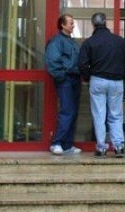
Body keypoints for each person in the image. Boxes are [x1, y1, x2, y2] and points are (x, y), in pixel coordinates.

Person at [79, 12, 125, 159]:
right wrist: (124, 74)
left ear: (93, 24)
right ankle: (119, 147)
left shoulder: (89, 42)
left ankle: (102, 147)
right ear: (106, 22)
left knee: (99, 115)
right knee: (115, 115)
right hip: (116, 81)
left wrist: (88, 77)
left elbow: (82, 64)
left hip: (97, 80)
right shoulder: (119, 41)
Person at [45, 14, 82, 155]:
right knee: (67, 111)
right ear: (63, 25)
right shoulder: (56, 42)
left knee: (73, 112)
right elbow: (52, 62)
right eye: (71, 23)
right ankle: (56, 143)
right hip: (66, 79)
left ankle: (67, 145)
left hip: (75, 79)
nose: (73, 25)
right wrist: (62, 76)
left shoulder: (72, 42)